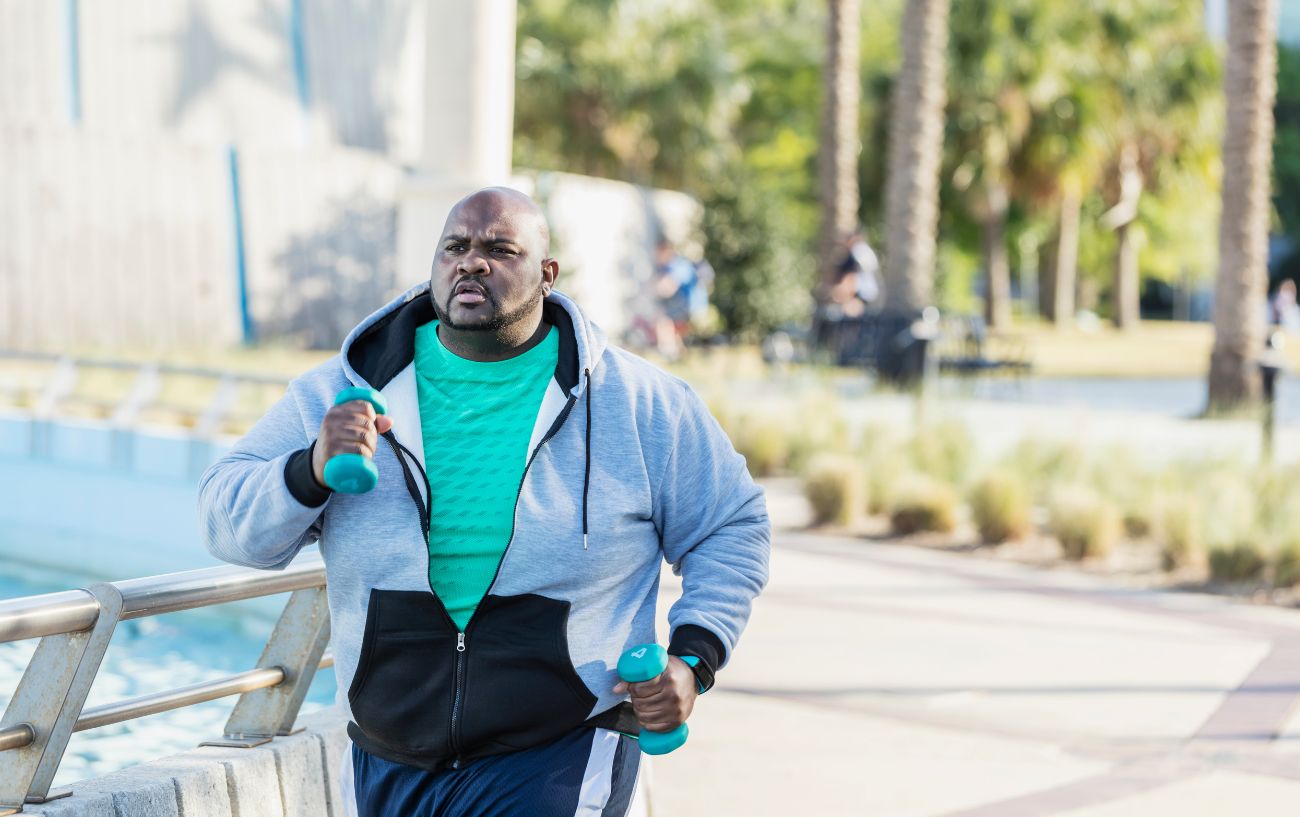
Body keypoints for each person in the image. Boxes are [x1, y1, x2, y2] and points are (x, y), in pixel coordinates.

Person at [198, 187, 771, 817]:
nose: (472, 263)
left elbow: (731, 526)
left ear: (546, 276)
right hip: (387, 753)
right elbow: (228, 529)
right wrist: (307, 469)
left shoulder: (639, 403)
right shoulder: (338, 395)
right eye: (456, 248)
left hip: (561, 747)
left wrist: (693, 658)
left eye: (500, 249)